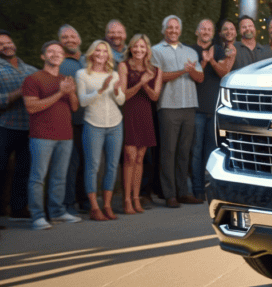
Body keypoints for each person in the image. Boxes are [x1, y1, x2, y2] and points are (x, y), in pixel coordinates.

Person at [22, 40, 83, 230]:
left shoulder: (66, 79)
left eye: (59, 52)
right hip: (42, 136)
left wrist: (70, 92)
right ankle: (38, 216)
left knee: (60, 176)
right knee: (38, 177)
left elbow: (74, 107)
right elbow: (31, 107)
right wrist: (59, 93)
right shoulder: (33, 79)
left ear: (63, 57)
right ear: (43, 56)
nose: (55, 54)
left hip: (65, 135)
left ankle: (57, 212)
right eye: (51, 51)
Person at [150, 15, 203, 207]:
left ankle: (183, 192)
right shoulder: (155, 51)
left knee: (184, 152)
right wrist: (184, 71)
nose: (173, 31)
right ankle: (169, 194)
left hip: (189, 106)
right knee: (168, 152)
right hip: (168, 107)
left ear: (180, 30)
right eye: (169, 28)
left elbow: (199, 78)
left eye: (176, 28)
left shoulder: (190, 51)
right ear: (164, 30)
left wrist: (192, 71)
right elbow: (158, 77)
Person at [76, 40, 125, 221]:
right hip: (93, 124)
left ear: (108, 56)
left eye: (105, 51)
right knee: (93, 166)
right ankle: (94, 207)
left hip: (115, 123)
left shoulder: (113, 74)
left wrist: (117, 90)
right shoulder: (82, 74)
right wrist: (101, 90)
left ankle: (107, 205)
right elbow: (82, 101)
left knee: (112, 166)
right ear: (91, 53)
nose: (101, 54)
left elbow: (120, 101)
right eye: (98, 50)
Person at [190, 18, 233, 200]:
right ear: (197, 32)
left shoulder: (220, 50)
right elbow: (193, 75)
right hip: (196, 108)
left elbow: (224, 72)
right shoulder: (190, 50)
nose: (206, 32)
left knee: (211, 152)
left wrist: (212, 60)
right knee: (196, 151)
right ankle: (197, 190)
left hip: (214, 108)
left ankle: (210, 190)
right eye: (203, 29)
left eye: (209, 29)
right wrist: (205, 62)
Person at [0, 30, 39, 221]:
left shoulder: (31, 70)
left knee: (24, 169)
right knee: (1, 169)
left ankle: (19, 207)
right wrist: (19, 92)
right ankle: (0, 211)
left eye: (8, 42)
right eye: (0, 44)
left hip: (29, 127)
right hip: (4, 126)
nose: (6, 46)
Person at [119, 34, 161, 214]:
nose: (138, 50)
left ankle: (137, 199)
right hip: (130, 113)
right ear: (130, 48)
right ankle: (126, 200)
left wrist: (145, 84)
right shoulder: (124, 66)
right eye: (135, 47)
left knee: (139, 158)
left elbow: (154, 97)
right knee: (129, 156)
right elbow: (123, 96)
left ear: (147, 50)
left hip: (145, 115)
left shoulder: (156, 70)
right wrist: (140, 82)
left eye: (142, 47)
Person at [58, 24, 88, 214]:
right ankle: (67, 203)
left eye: (73, 36)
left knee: (87, 163)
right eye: (65, 37)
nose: (70, 40)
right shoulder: (59, 62)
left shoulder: (88, 60)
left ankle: (85, 200)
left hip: (90, 120)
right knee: (69, 164)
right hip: (67, 121)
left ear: (79, 39)